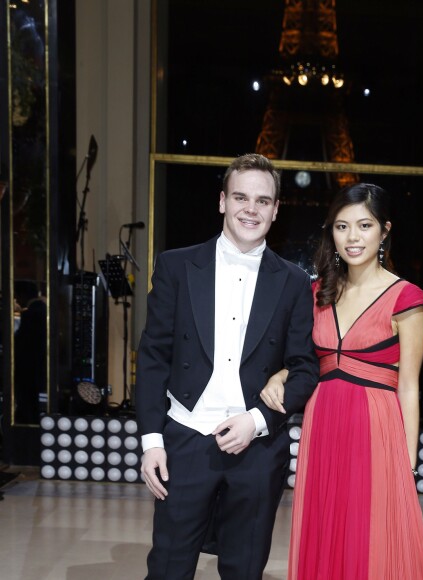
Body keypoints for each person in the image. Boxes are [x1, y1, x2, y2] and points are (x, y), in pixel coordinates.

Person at [136, 153, 319, 579]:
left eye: (262, 200)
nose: (250, 209)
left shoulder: (294, 282)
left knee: (244, 570)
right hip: (183, 439)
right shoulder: (176, 266)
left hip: (257, 447)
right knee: (168, 567)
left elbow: (305, 367)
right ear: (222, 201)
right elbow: (152, 358)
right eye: (240, 197)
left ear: (275, 209)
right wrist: (151, 442)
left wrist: (257, 420)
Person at [261, 183, 423, 579]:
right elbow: (306, 360)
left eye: (364, 225)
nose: (352, 237)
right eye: (342, 227)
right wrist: (281, 373)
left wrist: (407, 464)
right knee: (326, 526)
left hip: (376, 430)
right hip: (322, 424)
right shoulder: (317, 292)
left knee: (371, 535)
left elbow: (409, 386)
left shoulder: (406, 298)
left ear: (384, 231)